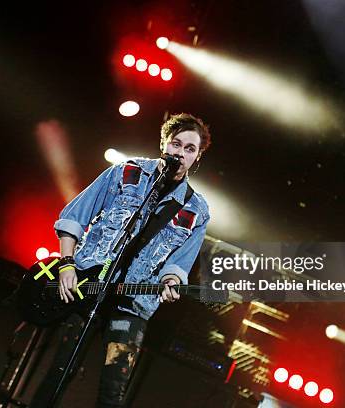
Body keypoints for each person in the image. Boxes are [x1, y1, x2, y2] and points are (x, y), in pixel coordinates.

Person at [31, 113, 212, 407]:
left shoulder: (196, 210)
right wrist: (66, 264)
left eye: (189, 148)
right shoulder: (128, 171)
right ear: (164, 145)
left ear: (197, 157)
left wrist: (170, 282)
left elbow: (179, 263)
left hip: (132, 304)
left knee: (112, 391)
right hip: (89, 288)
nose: (180, 152)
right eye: (176, 144)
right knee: (60, 372)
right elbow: (75, 215)